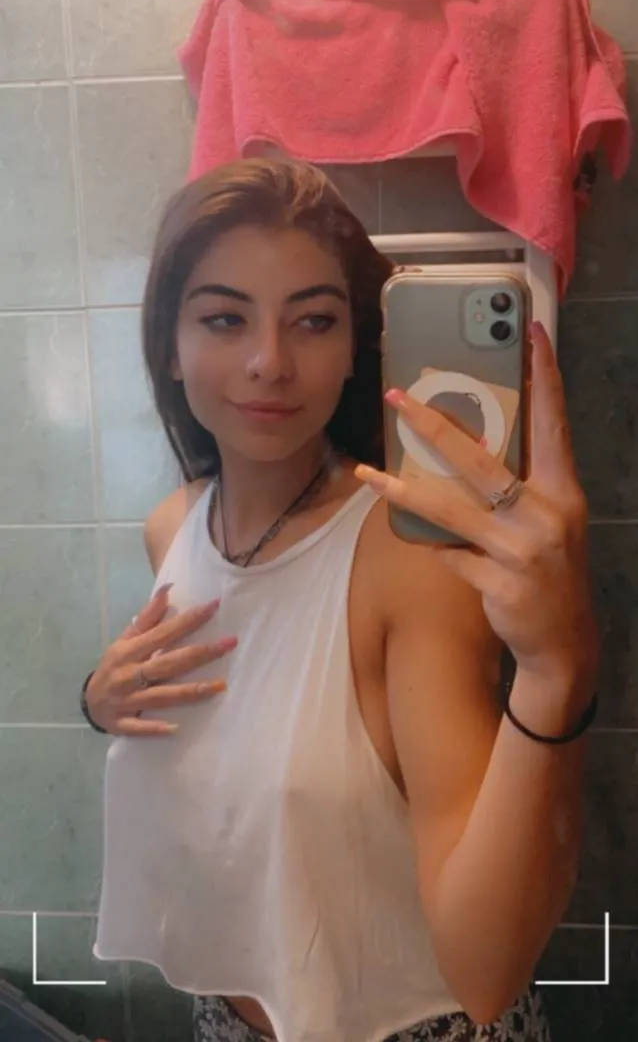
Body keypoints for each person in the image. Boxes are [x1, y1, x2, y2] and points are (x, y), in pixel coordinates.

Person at [82, 160, 600, 1042]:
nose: (269, 362)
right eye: (224, 318)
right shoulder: (172, 530)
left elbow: (484, 972)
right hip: (228, 1020)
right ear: (169, 345)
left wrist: (557, 669)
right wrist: (99, 704)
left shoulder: (406, 562)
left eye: (314, 320)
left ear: (357, 344)